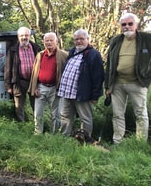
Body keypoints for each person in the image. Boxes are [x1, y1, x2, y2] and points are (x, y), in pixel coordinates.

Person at [105, 13, 151, 144]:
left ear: (136, 25)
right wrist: (107, 85)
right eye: (123, 24)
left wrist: (147, 76)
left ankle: (140, 143)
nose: (127, 27)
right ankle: (117, 141)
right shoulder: (115, 41)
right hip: (117, 83)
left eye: (130, 24)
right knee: (117, 114)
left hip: (138, 83)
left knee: (141, 114)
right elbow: (109, 64)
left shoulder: (147, 39)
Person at [57, 29, 104, 136]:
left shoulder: (93, 54)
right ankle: (64, 137)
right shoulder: (73, 51)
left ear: (87, 39)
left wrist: (95, 95)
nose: (78, 41)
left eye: (81, 39)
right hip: (67, 92)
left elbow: (98, 76)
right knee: (65, 116)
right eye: (76, 39)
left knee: (85, 118)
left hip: (82, 93)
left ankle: (85, 140)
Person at [28, 32, 68, 134]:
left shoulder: (63, 55)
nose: (49, 42)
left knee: (56, 114)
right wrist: (35, 87)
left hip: (55, 88)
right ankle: (38, 133)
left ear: (56, 42)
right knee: (38, 113)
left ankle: (54, 135)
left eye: (51, 40)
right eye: (47, 41)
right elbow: (35, 72)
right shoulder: (40, 55)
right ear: (43, 42)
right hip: (41, 87)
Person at [4, 27, 42, 122]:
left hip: (34, 82)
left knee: (36, 104)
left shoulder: (36, 48)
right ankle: (22, 126)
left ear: (29, 36)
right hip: (19, 81)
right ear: (18, 36)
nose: (24, 37)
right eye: (22, 35)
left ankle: (37, 125)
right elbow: (8, 68)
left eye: (26, 35)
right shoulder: (13, 50)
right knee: (19, 106)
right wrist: (8, 86)